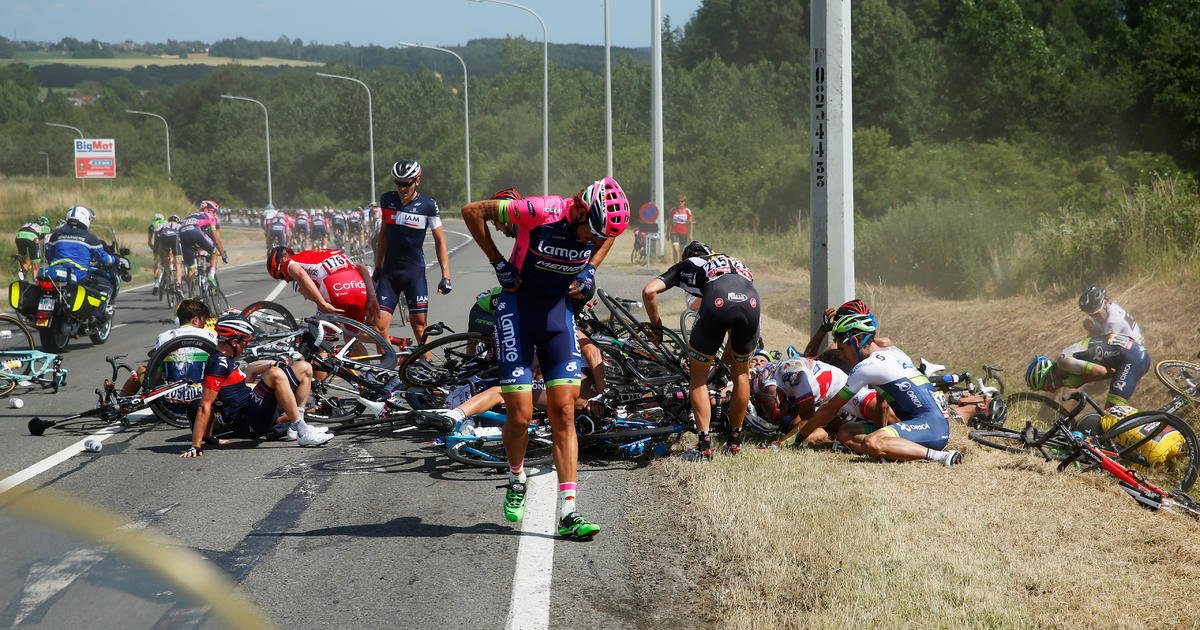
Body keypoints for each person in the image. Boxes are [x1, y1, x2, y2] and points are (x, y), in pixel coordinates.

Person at [461, 175, 630, 540]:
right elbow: (472, 211)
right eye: (592, 233)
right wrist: (497, 262)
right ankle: (516, 476)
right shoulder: (539, 210)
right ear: (581, 211)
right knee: (520, 415)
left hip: (558, 316)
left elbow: (609, 234)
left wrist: (589, 269)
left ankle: (569, 512)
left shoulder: (598, 228)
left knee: (564, 412)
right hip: (517, 313)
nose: (593, 240)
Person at [774, 314, 964, 466]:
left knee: (871, 442)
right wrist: (883, 430)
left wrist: (795, 439)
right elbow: (882, 404)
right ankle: (892, 449)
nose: (841, 355)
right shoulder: (893, 353)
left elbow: (830, 409)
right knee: (846, 432)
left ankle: (941, 457)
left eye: (842, 348)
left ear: (856, 341)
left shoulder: (865, 368)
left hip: (932, 429)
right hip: (930, 424)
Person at [642, 240, 760, 461]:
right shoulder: (735, 261)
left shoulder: (687, 264)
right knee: (742, 375)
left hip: (717, 302)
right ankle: (734, 443)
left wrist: (656, 329)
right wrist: (725, 364)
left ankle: (704, 448)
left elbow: (649, 291)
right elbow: (733, 331)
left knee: (698, 379)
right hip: (751, 303)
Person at [180, 314, 332, 458]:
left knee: (304, 367)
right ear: (234, 342)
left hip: (251, 408)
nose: (245, 347)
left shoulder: (226, 359)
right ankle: (303, 432)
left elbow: (245, 378)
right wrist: (196, 445)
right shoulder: (218, 365)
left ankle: (296, 428)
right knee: (275, 374)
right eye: (245, 342)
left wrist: (273, 363)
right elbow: (205, 405)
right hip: (246, 422)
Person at [374, 160, 452, 344]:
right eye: (398, 183)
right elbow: (383, 234)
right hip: (389, 273)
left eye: (407, 183)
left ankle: (428, 364)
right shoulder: (387, 200)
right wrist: (378, 266)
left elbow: (440, 241)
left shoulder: (428, 205)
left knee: (419, 326)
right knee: (379, 328)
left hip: (413, 273)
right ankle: (386, 366)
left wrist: (446, 276)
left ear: (417, 181)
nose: (402, 188)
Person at [1025, 332, 1150, 409]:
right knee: (1115, 412)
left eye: (1047, 387)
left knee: (1111, 411)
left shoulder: (1064, 362)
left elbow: (1102, 372)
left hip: (1131, 358)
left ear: (1048, 376)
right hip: (1133, 354)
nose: (1052, 390)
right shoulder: (1065, 358)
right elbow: (1109, 370)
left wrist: (1081, 380)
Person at [119, 299, 215, 396]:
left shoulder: (163, 337)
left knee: (141, 370)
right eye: (204, 322)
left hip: (171, 400)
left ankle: (118, 407)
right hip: (203, 396)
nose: (204, 326)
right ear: (195, 320)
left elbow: (156, 376)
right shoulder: (211, 336)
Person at [267, 246, 380, 326]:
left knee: (320, 340)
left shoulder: (289, 263)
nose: (286, 280)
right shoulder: (326, 252)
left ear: (282, 261)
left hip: (337, 290)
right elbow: (363, 268)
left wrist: (322, 304)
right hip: (360, 288)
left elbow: (301, 274)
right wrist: (372, 298)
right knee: (353, 341)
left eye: (281, 276)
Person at [43, 206, 119, 300]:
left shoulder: (56, 235)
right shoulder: (90, 238)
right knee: (105, 283)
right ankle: (97, 313)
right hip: (78, 274)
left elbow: (49, 253)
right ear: (85, 219)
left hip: (55, 272)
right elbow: (103, 258)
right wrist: (114, 259)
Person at [1079, 285, 1143, 344]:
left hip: (1134, 349)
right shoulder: (1106, 310)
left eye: (1096, 314)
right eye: (1091, 315)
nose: (1094, 318)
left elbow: (1102, 345)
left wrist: (1092, 330)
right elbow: (1097, 333)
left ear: (1105, 303)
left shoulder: (1114, 320)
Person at [151, 215, 183, 296]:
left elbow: (157, 233)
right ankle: (178, 286)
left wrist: (162, 257)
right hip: (174, 239)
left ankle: (167, 269)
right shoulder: (180, 225)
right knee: (178, 265)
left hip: (163, 238)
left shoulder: (164, 225)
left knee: (165, 257)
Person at [14, 216, 50, 281]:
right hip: (32, 238)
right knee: (36, 264)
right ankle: (35, 279)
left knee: (25, 258)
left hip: (19, 237)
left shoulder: (28, 224)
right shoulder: (45, 227)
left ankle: (23, 270)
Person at [668, 195, 694, 263]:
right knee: (676, 249)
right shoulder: (673, 210)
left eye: (682, 201)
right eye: (678, 201)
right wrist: (667, 233)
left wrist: (691, 235)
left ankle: (680, 264)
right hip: (674, 232)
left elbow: (691, 223)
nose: (680, 203)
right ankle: (675, 264)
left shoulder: (687, 210)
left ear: (684, 202)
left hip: (684, 232)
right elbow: (669, 222)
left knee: (682, 251)